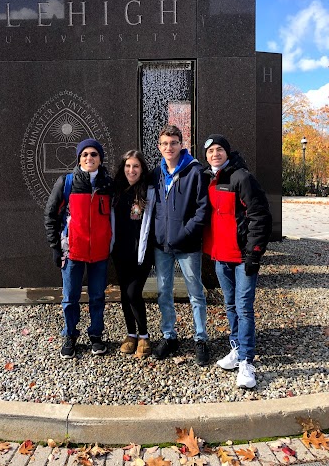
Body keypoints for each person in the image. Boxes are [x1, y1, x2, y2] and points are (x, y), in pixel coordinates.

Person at [203, 134, 272, 388]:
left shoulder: (241, 177)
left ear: (228, 153)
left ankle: (246, 361)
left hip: (242, 256)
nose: (215, 154)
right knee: (230, 305)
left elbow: (260, 216)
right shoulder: (208, 179)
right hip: (221, 256)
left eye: (220, 150)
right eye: (210, 151)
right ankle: (236, 348)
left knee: (244, 308)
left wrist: (255, 252)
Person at [44, 138, 114, 359]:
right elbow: (50, 215)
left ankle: (96, 336)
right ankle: (70, 335)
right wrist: (55, 247)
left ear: (100, 159)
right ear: (79, 159)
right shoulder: (66, 182)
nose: (89, 158)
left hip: (100, 253)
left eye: (93, 154)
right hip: (72, 251)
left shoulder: (108, 185)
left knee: (97, 297)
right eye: (85, 155)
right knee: (70, 297)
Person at [152, 124, 210, 365]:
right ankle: (169, 335)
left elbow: (203, 209)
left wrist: (185, 233)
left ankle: (201, 339)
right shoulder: (156, 173)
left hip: (187, 245)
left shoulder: (194, 171)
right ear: (159, 146)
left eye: (173, 143)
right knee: (164, 292)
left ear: (181, 144)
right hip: (162, 245)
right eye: (164, 143)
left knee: (195, 292)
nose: (169, 147)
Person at [111, 150, 155, 358]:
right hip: (120, 251)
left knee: (133, 293)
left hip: (142, 252)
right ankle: (131, 334)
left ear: (142, 169)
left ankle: (144, 336)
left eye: (136, 166)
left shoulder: (148, 190)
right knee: (124, 294)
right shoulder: (116, 190)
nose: (131, 170)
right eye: (128, 166)